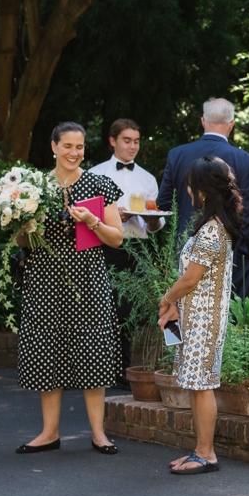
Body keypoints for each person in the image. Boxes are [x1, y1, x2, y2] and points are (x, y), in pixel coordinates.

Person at [15, 122, 125, 456]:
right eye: (67, 146)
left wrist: (91, 221)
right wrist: (24, 223)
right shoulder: (34, 187)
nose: (74, 153)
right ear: (53, 146)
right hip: (44, 280)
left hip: (87, 280)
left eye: (79, 147)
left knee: (91, 350)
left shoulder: (98, 184)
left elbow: (117, 238)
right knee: (48, 350)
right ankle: (49, 433)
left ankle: (98, 434)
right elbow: (22, 241)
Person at [157, 156, 240, 475]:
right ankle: (199, 450)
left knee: (202, 385)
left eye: (191, 183)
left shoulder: (210, 231)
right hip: (195, 318)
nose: (187, 188)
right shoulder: (214, 226)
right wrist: (175, 304)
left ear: (203, 190)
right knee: (195, 384)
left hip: (203, 322)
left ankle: (206, 453)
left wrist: (166, 299)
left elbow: (191, 279)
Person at [157, 98, 249, 296]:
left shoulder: (177, 155)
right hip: (230, 251)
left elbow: (163, 204)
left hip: (186, 245)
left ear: (203, 121)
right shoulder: (244, 160)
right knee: (227, 313)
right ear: (231, 125)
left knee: (184, 307)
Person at [88, 118, 164, 384]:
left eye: (136, 141)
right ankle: (100, 370)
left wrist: (153, 220)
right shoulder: (95, 174)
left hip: (137, 249)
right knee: (103, 308)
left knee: (129, 311)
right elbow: (87, 216)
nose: (133, 147)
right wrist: (111, 217)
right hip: (105, 246)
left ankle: (124, 371)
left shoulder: (147, 178)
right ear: (113, 141)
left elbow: (154, 224)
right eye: (127, 140)